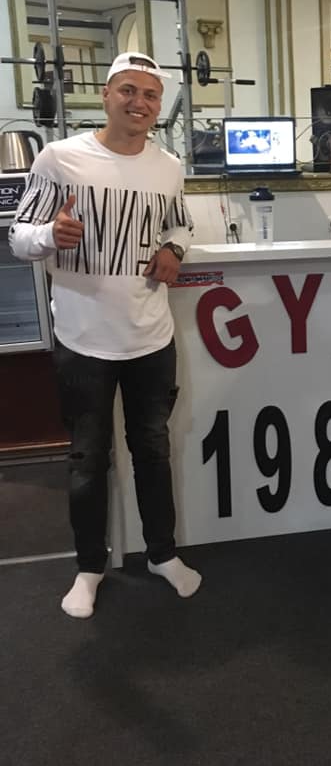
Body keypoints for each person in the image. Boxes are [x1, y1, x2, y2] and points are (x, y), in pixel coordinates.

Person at [10, 51, 201, 619]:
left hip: (151, 338)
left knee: (153, 451)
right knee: (87, 459)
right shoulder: (60, 158)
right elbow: (19, 236)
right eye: (128, 91)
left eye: (150, 95)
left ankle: (162, 554)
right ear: (106, 95)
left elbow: (180, 222)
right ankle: (89, 567)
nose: (139, 103)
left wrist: (174, 248)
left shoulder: (168, 167)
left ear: (159, 106)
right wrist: (51, 234)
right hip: (82, 339)